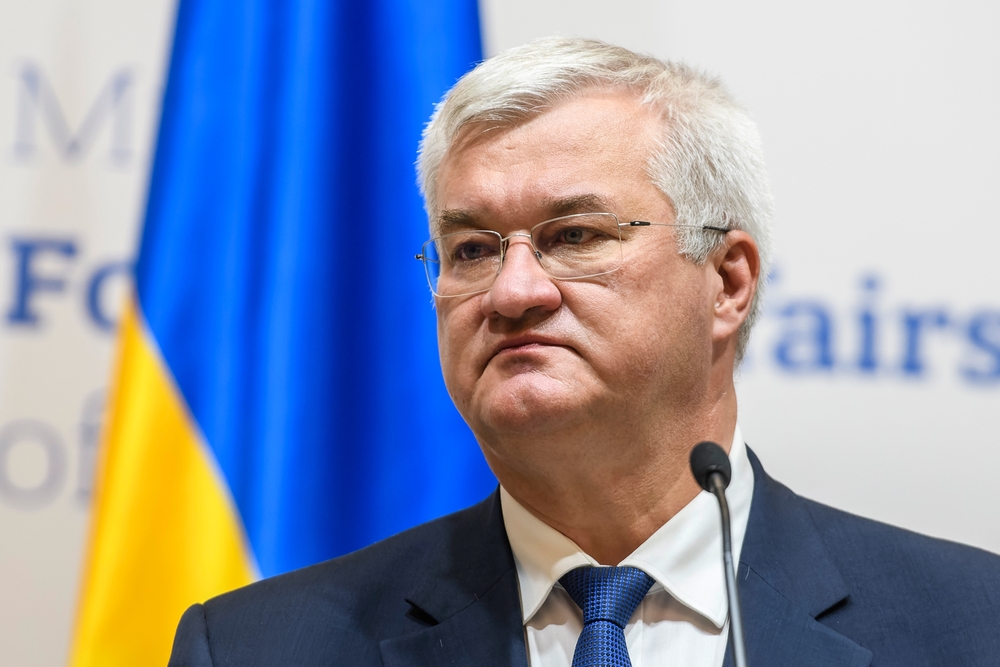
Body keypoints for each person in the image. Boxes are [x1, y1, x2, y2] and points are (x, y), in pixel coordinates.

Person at [168, 37, 1000, 667]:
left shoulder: (972, 626)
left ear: (727, 281)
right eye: (471, 249)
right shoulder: (253, 648)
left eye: (574, 235)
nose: (512, 291)